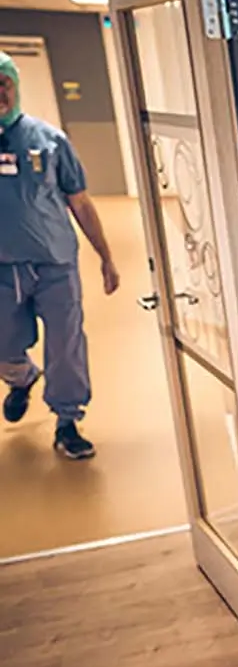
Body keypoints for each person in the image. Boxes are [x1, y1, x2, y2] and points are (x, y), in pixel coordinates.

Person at [0, 52, 118, 459]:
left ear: (15, 86)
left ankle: (67, 421)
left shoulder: (48, 140)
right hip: (2, 269)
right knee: (3, 342)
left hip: (55, 264)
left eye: (3, 83)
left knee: (66, 344)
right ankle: (21, 378)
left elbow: (79, 201)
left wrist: (105, 256)